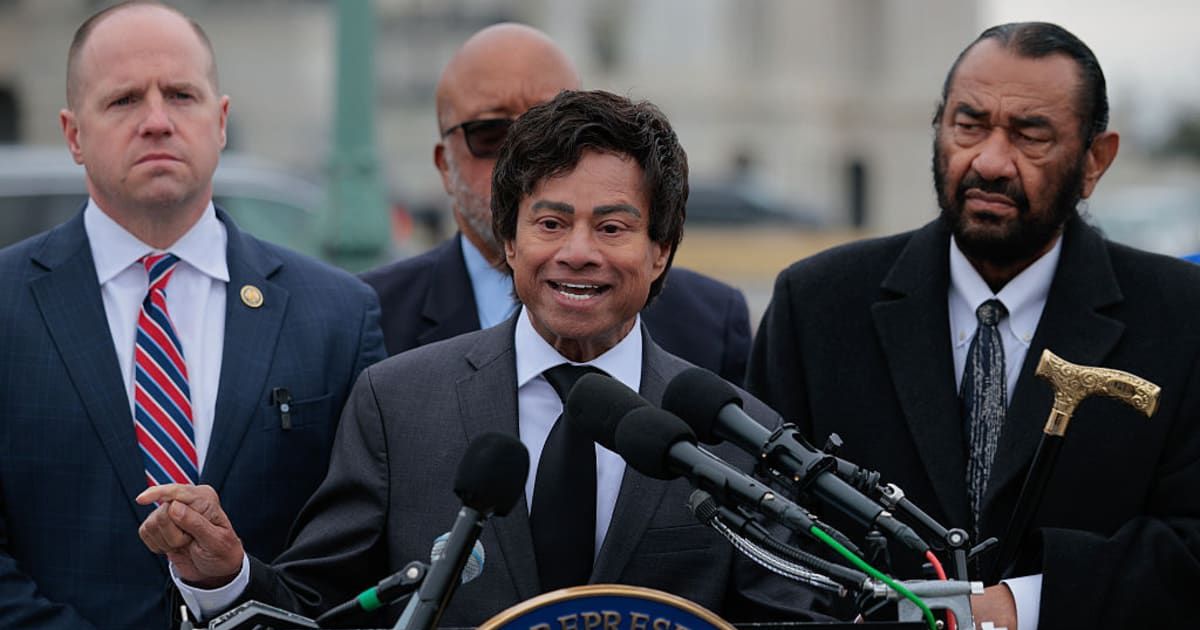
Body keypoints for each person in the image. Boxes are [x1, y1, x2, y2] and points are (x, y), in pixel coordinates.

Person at [139, 89, 829, 628]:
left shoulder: (734, 440)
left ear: (661, 251)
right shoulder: (397, 406)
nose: (577, 251)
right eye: (550, 223)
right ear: (508, 239)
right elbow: (321, 608)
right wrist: (224, 575)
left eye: (612, 227)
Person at [747, 22, 1199, 629]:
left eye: (1030, 134)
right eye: (969, 125)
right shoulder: (817, 303)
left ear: (1096, 160)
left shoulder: (1181, 315)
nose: (989, 160)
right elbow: (761, 522)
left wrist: (1023, 606)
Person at [0, 2, 386, 627]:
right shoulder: (7, 305)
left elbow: (359, 556)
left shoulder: (337, 315)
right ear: (73, 134)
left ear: (221, 120)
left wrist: (235, 586)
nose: (157, 121)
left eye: (181, 94)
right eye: (124, 100)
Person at [361, 23, 753, 385]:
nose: (522, 154)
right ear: (444, 165)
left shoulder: (710, 322)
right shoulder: (368, 318)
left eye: (555, 131)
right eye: (490, 133)